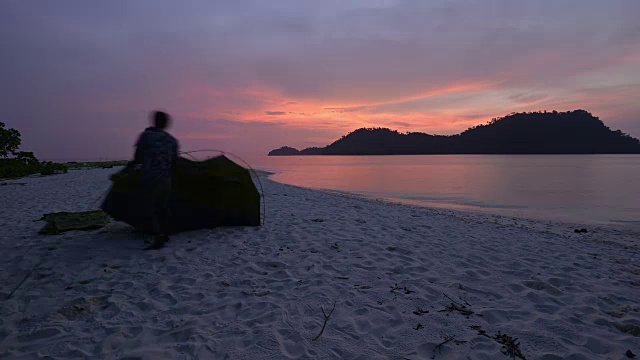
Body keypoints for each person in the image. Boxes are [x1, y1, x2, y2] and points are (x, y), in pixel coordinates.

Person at [133, 111, 179, 250]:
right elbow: (175, 162)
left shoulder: (146, 136)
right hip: (166, 180)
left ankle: (158, 236)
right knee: (162, 208)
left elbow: (138, 158)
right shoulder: (172, 140)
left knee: (147, 208)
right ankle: (164, 234)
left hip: (150, 179)